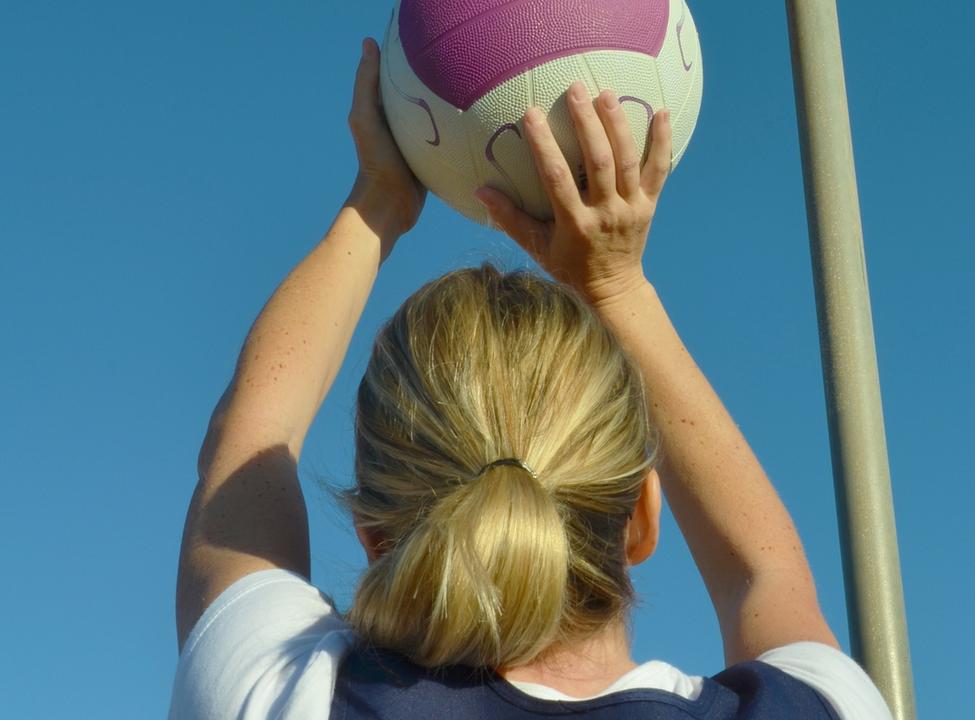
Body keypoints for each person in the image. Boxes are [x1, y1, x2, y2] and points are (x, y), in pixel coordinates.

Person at [168, 38, 893, 720]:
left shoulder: (285, 696)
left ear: (374, 537)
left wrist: (379, 202)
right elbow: (760, 573)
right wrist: (615, 286)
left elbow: (248, 438)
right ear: (643, 513)